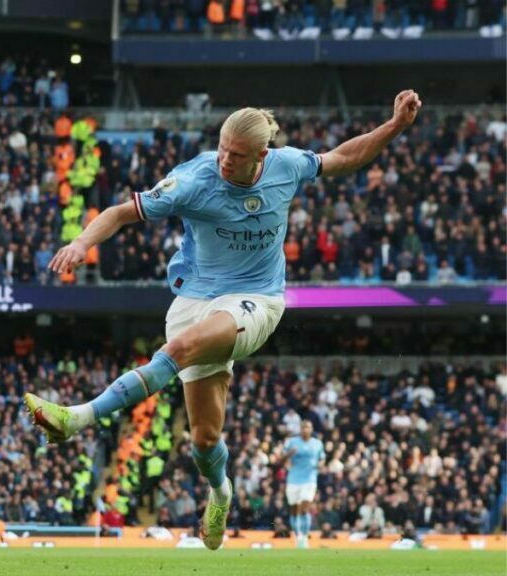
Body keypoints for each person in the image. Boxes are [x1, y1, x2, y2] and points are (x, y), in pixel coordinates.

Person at [24, 90, 422, 550]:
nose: (224, 160)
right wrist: (81, 243)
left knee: (179, 350)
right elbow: (118, 213)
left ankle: (77, 417)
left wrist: (393, 126)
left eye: (236, 155)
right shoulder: (193, 180)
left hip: (257, 299)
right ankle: (221, 491)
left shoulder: (287, 166)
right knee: (204, 440)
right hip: (194, 298)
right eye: (222, 148)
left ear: (262, 155)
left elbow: (344, 157)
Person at [278, 420, 325, 548]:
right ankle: (297, 536)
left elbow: (322, 459)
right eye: (303, 427)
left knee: (305, 507)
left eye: (308, 427)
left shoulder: (317, 444)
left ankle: (304, 537)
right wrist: (289, 454)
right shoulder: (292, 442)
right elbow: (280, 460)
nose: (305, 429)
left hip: (309, 480)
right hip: (293, 479)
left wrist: (320, 465)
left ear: (311, 429)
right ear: (300, 429)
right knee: (294, 510)